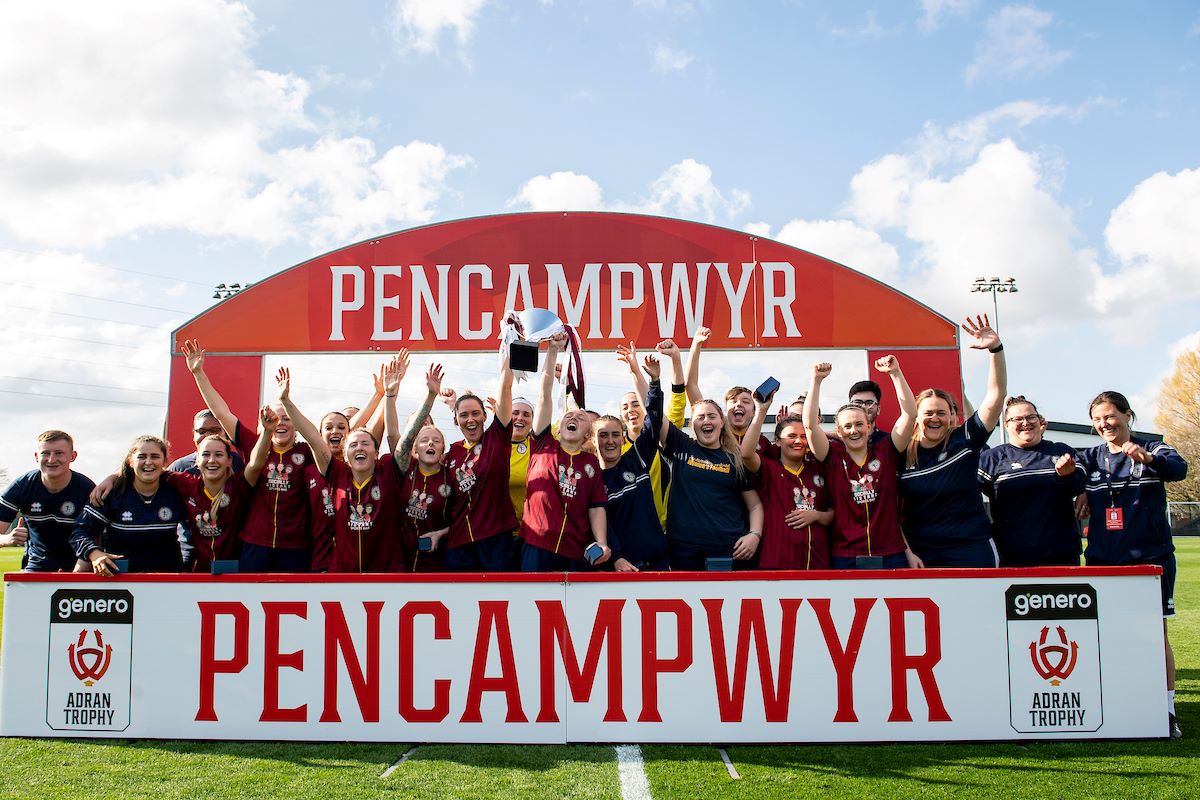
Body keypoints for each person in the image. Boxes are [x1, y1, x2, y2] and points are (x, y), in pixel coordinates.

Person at [1076, 390, 1188, 739]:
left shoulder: (1154, 448)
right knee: (1105, 635)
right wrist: (1075, 486)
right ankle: (1117, 703)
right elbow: (1067, 477)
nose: (1104, 424)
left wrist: (1149, 460)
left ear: (1128, 416)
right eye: (1097, 419)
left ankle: (1166, 710)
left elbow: (1179, 469)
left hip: (1150, 561)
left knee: (1155, 635)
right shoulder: (1090, 458)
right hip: (1103, 562)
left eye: (1110, 416)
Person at [181, 338, 313, 572]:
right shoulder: (253, 443)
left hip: (296, 546)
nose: (280, 423)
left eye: (286, 419)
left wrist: (285, 400)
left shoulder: (307, 452)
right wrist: (198, 373)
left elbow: (324, 440)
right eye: (274, 418)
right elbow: (221, 412)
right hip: (255, 543)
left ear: (297, 424)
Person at [280, 355, 420, 573]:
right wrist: (286, 402)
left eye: (365, 443)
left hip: (387, 572)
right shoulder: (335, 473)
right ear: (346, 452)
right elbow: (313, 439)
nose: (360, 448)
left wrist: (389, 395)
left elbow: (392, 435)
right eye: (354, 444)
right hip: (336, 570)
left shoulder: (386, 472)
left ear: (375, 452)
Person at [897, 315, 1006, 568]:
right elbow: (890, 511)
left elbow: (997, 395)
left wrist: (995, 350)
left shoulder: (965, 440)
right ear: (916, 418)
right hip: (922, 554)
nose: (934, 418)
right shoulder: (900, 453)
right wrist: (908, 550)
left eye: (941, 413)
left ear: (953, 417)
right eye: (928, 413)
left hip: (971, 548)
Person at [804, 357, 920, 570]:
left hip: (890, 553)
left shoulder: (887, 450)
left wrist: (895, 373)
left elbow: (911, 415)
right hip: (844, 555)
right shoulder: (832, 456)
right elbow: (810, 426)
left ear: (868, 426)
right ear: (838, 431)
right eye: (847, 426)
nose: (853, 430)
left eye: (859, 424)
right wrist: (816, 380)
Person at [520, 333, 610, 571]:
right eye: (568, 415)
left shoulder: (591, 462)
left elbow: (597, 505)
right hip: (536, 544)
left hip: (574, 549)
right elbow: (544, 395)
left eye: (580, 417)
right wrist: (552, 351)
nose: (572, 417)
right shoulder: (542, 445)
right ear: (558, 426)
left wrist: (601, 542)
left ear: (588, 434)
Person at [652, 387, 765, 571]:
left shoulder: (735, 458)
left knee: (727, 599)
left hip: (729, 549)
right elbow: (655, 413)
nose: (706, 420)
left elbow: (755, 505)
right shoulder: (682, 446)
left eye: (712, 416)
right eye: (700, 417)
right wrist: (645, 376)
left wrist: (755, 534)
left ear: (722, 422)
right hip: (684, 550)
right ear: (692, 424)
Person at [978, 396, 1083, 566]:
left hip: (1061, 556)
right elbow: (964, 493)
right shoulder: (991, 459)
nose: (1025, 422)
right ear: (1006, 424)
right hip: (1011, 557)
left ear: (1039, 420)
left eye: (1030, 417)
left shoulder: (1061, 451)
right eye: (1017, 419)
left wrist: (1067, 478)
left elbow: (1084, 485)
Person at [594, 350, 670, 572]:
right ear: (592, 440)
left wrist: (654, 382)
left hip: (657, 563)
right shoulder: (592, 479)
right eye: (603, 435)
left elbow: (653, 421)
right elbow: (599, 525)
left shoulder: (635, 459)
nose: (610, 441)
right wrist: (615, 557)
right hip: (619, 568)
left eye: (615, 435)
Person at [443, 351, 519, 571]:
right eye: (464, 415)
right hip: (459, 543)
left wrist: (508, 347)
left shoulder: (497, 438)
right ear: (456, 420)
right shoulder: (452, 453)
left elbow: (505, 388)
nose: (470, 419)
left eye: (476, 413)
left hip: (496, 540)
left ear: (486, 416)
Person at [71, 435, 191, 574]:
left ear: (164, 461)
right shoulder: (111, 493)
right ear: (131, 462)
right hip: (118, 580)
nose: (148, 462)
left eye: (155, 456)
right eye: (142, 456)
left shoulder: (175, 492)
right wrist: (94, 553)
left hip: (167, 580)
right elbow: (79, 532)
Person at [160, 424, 273, 572]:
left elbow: (257, 462)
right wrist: (120, 474)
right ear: (197, 460)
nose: (212, 460)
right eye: (205, 454)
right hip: (198, 573)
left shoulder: (239, 486)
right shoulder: (186, 484)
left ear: (229, 461)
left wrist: (267, 431)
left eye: (219, 455)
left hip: (236, 573)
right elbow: (150, 469)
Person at [741, 394, 832, 570]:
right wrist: (761, 411)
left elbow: (835, 513)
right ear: (777, 440)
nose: (798, 441)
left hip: (818, 564)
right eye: (791, 436)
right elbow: (746, 453)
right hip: (777, 564)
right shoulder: (768, 468)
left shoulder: (820, 469)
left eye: (803, 436)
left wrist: (816, 515)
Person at [615, 339, 688, 528]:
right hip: (626, 531)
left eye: (636, 404)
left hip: (662, 530)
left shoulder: (663, 441)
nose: (630, 409)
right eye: (625, 407)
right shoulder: (615, 449)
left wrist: (675, 360)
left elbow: (678, 402)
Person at [0, 430, 95, 572]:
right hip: (36, 567)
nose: (51, 459)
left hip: (79, 567)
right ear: (36, 456)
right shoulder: (22, 486)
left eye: (59, 453)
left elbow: (94, 538)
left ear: (72, 456)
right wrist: (7, 539)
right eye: (45, 453)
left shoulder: (87, 489)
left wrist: (76, 576)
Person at [167, 410, 245, 475]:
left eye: (214, 431)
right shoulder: (179, 468)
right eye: (201, 431)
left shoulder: (238, 464)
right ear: (193, 435)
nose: (208, 436)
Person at [847, 380, 887, 445]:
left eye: (869, 403)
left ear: (878, 409)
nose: (863, 407)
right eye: (858, 402)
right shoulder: (838, 443)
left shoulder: (888, 442)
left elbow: (908, 416)